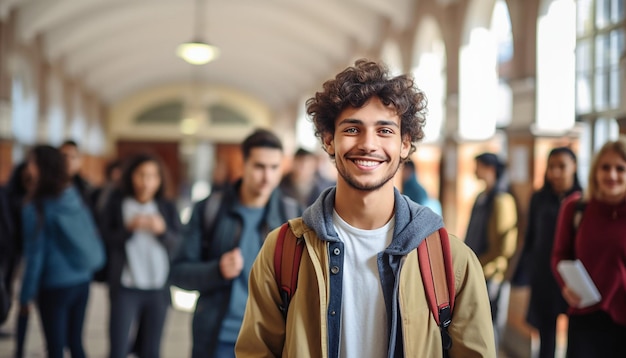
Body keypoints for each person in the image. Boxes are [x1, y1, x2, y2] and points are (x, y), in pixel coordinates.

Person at [236, 59, 495, 357]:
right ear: (329, 140)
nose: (368, 144)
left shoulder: (451, 261)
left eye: (384, 131)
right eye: (352, 129)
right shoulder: (284, 250)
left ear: (405, 144)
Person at [169, 128, 302, 358]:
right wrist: (217, 270)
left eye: (274, 168)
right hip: (218, 338)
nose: (267, 177)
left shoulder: (292, 215)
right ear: (244, 164)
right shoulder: (210, 209)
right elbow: (179, 272)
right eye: (259, 166)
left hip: (270, 341)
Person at [19, 145, 105, 358]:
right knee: (76, 343)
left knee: (55, 347)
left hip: (53, 285)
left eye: (31, 162)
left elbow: (35, 256)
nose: (27, 167)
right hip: (81, 280)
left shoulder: (36, 206)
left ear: (41, 167)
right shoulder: (72, 196)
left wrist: (25, 296)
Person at [98, 153, 181, 358]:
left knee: (151, 350)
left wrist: (163, 232)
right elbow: (104, 237)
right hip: (126, 286)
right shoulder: (117, 203)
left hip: (158, 288)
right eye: (141, 175)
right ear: (130, 176)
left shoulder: (166, 207)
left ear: (160, 180)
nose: (146, 182)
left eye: (152, 176)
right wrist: (128, 230)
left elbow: (179, 245)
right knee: (118, 349)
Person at [551, 138, 626, 357]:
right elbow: (559, 255)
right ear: (595, 171)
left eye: (620, 168)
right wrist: (565, 285)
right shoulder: (575, 207)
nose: (612, 175)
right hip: (585, 315)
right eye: (605, 167)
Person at [514, 147, 581, 358]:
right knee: (546, 335)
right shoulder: (539, 199)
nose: (556, 172)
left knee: (576, 336)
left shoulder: (582, 201)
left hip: (573, 276)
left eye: (562, 166)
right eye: (552, 167)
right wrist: (523, 272)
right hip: (544, 274)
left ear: (574, 167)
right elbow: (531, 237)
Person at [464, 152, 518, 346]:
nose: (474, 170)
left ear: (490, 169)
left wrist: (481, 264)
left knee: (489, 324)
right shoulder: (482, 197)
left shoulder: (502, 200)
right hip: (477, 269)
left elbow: (505, 247)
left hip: (492, 273)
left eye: (478, 166)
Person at [59, 140, 95, 209]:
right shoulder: (49, 186)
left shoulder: (87, 188)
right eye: (64, 156)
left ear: (80, 161)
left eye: (73, 157)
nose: (68, 161)